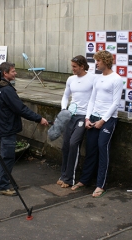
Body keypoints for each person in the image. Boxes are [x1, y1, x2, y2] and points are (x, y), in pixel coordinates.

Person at [0, 61, 49, 196]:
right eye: (13, 71)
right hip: (7, 128)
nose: (16, 73)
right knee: (6, 157)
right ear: (5, 73)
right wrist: (39, 118)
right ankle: (3, 186)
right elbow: (21, 109)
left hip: (0, 127)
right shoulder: (7, 90)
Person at [72, 50, 123, 197]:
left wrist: (103, 120)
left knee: (102, 148)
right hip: (94, 116)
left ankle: (101, 184)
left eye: (98, 61)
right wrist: (88, 118)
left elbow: (115, 103)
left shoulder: (116, 79)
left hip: (108, 119)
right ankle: (84, 180)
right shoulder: (97, 78)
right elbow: (92, 100)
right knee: (90, 149)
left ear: (105, 61)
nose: (96, 64)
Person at [56, 55, 95, 188]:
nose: (72, 69)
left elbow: (94, 98)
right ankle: (63, 175)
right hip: (70, 115)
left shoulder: (92, 78)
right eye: (71, 66)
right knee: (65, 145)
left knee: (74, 144)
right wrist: (63, 110)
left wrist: (88, 117)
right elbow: (65, 96)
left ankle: (69, 179)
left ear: (82, 66)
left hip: (83, 116)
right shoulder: (70, 79)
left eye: (74, 67)